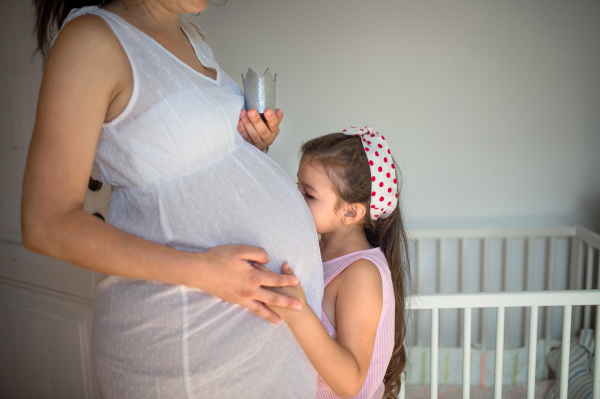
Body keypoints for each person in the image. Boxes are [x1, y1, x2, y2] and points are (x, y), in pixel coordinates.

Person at [21, 0, 323, 397]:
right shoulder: (91, 40)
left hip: (264, 348)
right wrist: (204, 272)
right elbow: (46, 223)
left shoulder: (192, 37)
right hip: (190, 342)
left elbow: (193, 169)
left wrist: (250, 145)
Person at [256, 127, 411, 399]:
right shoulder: (313, 250)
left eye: (309, 194)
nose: (296, 198)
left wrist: (298, 312)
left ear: (351, 212)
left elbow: (350, 382)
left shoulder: (361, 274)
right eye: (298, 187)